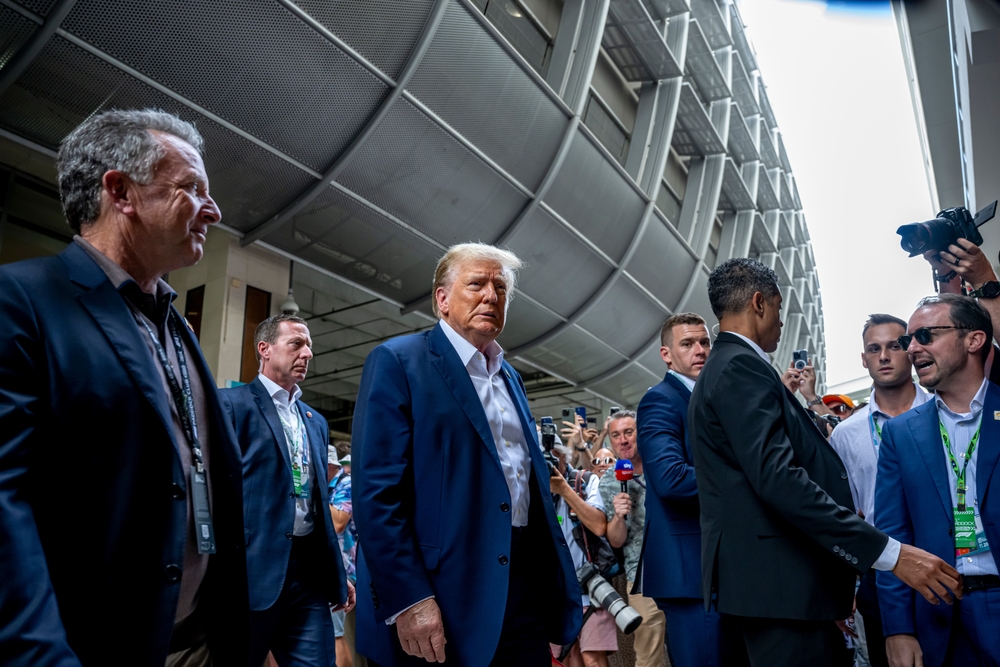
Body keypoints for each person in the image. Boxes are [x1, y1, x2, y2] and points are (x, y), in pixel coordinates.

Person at [0, 109, 248, 666]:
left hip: (199, 642)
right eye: (192, 188)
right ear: (121, 192)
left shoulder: (177, 326)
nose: (213, 210)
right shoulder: (21, 301)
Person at [688, 257, 963, 667]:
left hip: (776, 588)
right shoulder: (740, 367)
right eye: (779, 308)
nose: (782, 322)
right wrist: (890, 554)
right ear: (760, 303)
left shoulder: (727, 367)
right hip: (781, 590)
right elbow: (780, 480)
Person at [351, 243, 582, 666]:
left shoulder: (510, 378)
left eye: (501, 288)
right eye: (476, 284)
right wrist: (410, 599)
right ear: (442, 299)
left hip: (520, 589)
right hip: (440, 594)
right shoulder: (399, 361)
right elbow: (376, 495)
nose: (491, 296)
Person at [219, 315, 352, 667]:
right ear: (265, 349)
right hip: (251, 571)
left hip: (309, 575)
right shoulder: (231, 405)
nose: (307, 353)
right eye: (296, 344)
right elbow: (217, 491)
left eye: (309, 346)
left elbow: (319, 502)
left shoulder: (315, 421)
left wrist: (336, 573)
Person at [875, 294, 1000, 666]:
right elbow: (893, 536)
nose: (912, 349)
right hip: (940, 615)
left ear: (974, 340)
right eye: (908, 340)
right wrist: (897, 629)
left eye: (925, 335)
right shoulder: (901, 433)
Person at [828, 314, 932, 667]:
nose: (884, 356)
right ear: (864, 359)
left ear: (911, 350)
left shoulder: (941, 410)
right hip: (881, 570)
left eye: (894, 346)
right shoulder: (846, 434)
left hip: (943, 555)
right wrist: (845, 589)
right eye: (874, 349)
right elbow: (844, 513)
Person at [637, 312, 732, 666]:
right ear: (666, 354)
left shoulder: (713, 397)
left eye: (705, 342)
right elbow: (671, 478)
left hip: (716, 568)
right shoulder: (660, 400)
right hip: (689, 571)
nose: (700, 350)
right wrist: (742, 480)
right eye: (688, 343)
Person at [598, 411, 666, 667]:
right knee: (648, 657)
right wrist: (618, 516)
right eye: (616, 435)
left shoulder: (663, 462)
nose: (623, 440)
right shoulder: (609, 481)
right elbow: (616, 541)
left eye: (629, 432)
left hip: (680, 566)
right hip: (641, 575)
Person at [548, 444, 617, 667]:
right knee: (564, 659)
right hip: (554, 595)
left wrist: (564, 490)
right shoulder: (532, 487)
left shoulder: (585, 481)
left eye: (552, 458)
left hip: (590, 589)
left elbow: (598, 526)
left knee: (592, 660)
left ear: (563, 458)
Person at [330, 453, 362, 667]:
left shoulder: (346, 484)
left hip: (346, 569)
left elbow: (338, 524)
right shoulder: (331, 486)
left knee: (338, 635)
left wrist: (312, 492)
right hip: (333, 567)